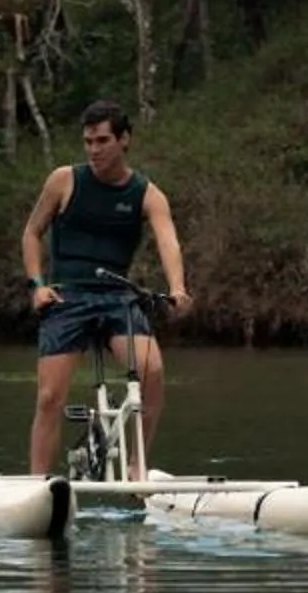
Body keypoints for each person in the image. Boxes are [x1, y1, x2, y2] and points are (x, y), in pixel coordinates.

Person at [19, 100, 191, 477]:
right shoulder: (64, 180)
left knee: (153, 370)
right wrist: (37, 285)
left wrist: (177, 288)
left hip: (117, 297)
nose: (94, 150)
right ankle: (38, 484)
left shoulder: (147, 195)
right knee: (49, 397)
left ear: (124, 139)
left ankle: (136, 464)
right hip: (66, 297)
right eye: (88, 142)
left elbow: (169, 242)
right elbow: (32, 233)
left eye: (102, 141)